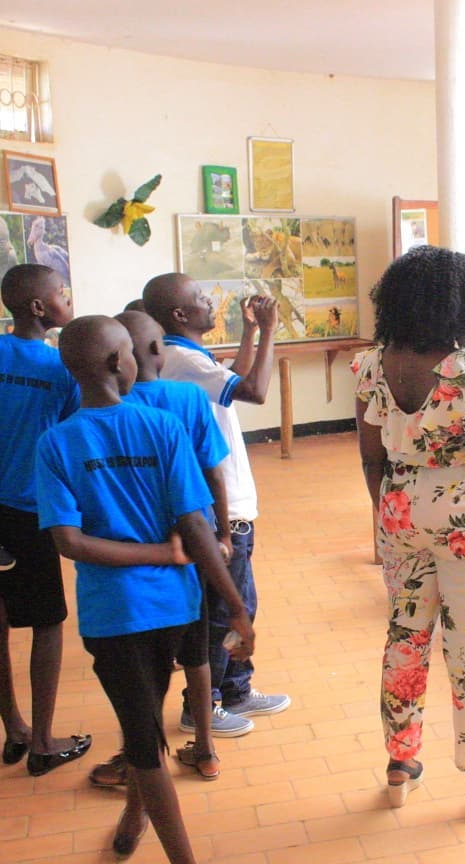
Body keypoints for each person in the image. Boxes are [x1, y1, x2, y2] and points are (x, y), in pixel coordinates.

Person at [35, 315, 255, 862]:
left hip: (114, 616)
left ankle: (143, 818)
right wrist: (234, 605)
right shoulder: (162, 427)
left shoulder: (55, 444)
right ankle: (143, 821)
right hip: (173, 605)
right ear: (118, 363)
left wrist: (224, 599)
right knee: (144, 729)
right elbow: (196, 526)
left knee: (142, 730)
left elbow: (71, 542)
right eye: (131, 353)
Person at [351, 245, 465, 820]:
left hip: (399, 510)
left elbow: (369, 458)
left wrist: (388, 526)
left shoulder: (373, 365)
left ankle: (401, 763)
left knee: (405, 638)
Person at [87, 310, 236, 789]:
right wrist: (225, 531)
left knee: (141, 674)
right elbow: (214, 470)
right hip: (192, 550)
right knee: (196, 655)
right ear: (156, 351)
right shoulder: (185, 398)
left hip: (133, 555)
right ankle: (206, 748)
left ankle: (139, 759)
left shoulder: (98, 415)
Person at [143, 274, 290, 731]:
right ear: (180, 315)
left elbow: (233, 384)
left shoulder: (184, 358)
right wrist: (268, 331)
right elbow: (255, 391)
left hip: (226, 502)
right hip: (221, 506)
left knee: (239, 601)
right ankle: (201, 707)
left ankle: (235, 690)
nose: (213, 303)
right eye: (203, 298)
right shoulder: (182, 359)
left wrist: (248, 333)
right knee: (224, 610)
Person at [0, 263, 92, 775]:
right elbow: (68, 442)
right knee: (48, 624)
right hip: (28, 511)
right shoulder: (62, 371)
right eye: (61, 292)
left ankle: (13, 726)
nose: (66, 298)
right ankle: (42, 743)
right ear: (40, 308)